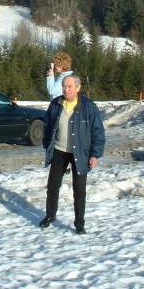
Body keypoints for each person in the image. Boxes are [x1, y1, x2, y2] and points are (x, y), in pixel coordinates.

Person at [39, 74, 105, 234]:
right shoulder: (56, 104)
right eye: (64, 86)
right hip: (59, 151)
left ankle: (79, 223)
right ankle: (50, 215)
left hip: (80, 153)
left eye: (69, 86)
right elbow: (48, 126)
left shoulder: (88, 107)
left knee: (79, 190)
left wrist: (95, 155)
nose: (66, 89)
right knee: (53, 186)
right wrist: (47, 144)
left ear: (78, 88)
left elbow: (98, 132)